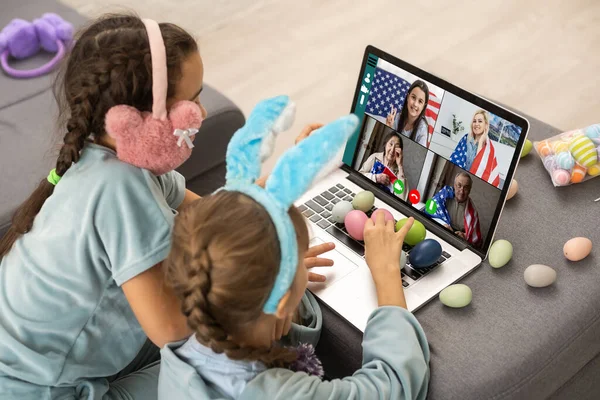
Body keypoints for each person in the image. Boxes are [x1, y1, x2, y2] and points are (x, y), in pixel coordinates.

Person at [0, 13, 321, 399]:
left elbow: (207, 217)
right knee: (245, 363)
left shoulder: (113, 157)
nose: (202, 113)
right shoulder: (117, 189)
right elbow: (172, 329)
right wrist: (272, 276)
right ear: (134, 119)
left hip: (53, 367)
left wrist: (278, 183)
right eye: (193, 100)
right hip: (44, 392)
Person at [158, 111, 430, 399]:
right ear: (284, 300)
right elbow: (390, 388)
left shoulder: (184, 354)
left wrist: (270, 274)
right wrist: (388, 272)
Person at [429, 172, 482, 246]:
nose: (462, 191)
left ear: (469, 190)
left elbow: (475, 238)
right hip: (439, 229)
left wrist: (463, 235)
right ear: (454, 185)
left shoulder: (472, 212)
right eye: (459, 186)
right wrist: (443, 224)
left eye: (466, 188)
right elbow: (429, 209)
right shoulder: (444, 195)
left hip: (456, 240)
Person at [450, 109, 500, 187]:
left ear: (486, 125)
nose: (476, 124)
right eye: (474, 121)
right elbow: (454, 158)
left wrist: (480, 144)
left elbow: (480, 170)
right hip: (458, 177)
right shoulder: (466, 138)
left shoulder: (489, 149)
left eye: (480, 121)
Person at [358, 131, 408, 200]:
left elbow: (402, 199)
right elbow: (359, 175)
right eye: (391, 144)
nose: (392, 150)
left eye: (396, 147)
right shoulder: (374, 157)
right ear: (385, 145)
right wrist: (375, 178)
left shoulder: (399, 172)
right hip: (365, 195)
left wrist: (400, 166)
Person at [385, 80, 430, 147]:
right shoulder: (398, 117)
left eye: (420, 101)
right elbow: (388, 145)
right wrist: (389, 127)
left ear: (424, 106)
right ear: (408, 97)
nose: (415, 104)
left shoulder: (422, 129)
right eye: (413, 97)